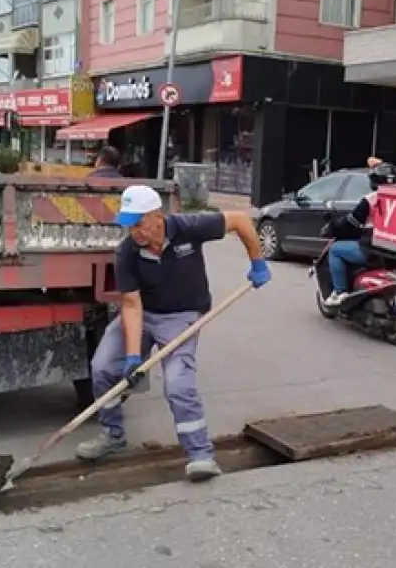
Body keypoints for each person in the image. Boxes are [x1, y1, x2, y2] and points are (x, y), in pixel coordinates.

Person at [76, 185, 272, 481]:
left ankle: (200, 455)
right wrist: (133, 357)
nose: (133, 231)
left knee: (178, 383)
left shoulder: (188, 227)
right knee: (103, 367)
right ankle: (113, 434)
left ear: (157, 217)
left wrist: (257, 262)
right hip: (144, 313)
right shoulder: (127, 251)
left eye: (138, 223)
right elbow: (131, 305)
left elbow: (240, 221)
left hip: (182, 316)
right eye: (128, 225)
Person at [323, 162, 396, 306]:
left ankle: (340, 291)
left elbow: (351, 222)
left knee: (335, 250)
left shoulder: (371, 200)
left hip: (373, 251)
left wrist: (334, 226)